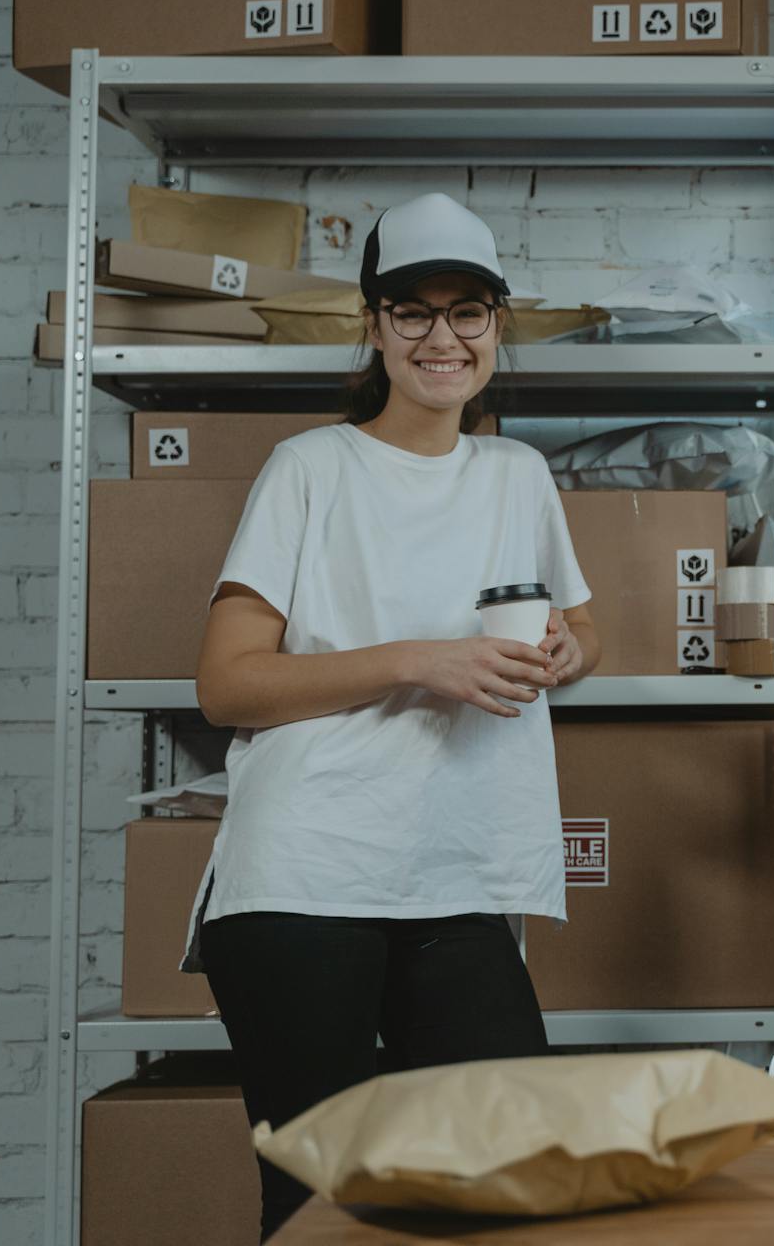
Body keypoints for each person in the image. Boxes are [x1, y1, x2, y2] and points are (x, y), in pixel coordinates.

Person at [187, 192, 601, 1238]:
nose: (441, 336)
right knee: (330, 1205)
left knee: (501, 1176)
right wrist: (421, 660)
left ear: (498, 327)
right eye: (411, 309)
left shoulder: (517, 474)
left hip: (459, 869)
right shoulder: (312, 468)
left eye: (468, 310)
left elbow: (585, 630)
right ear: (372, 326)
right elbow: (228, 683)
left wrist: (566, 650)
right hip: (308, 870)